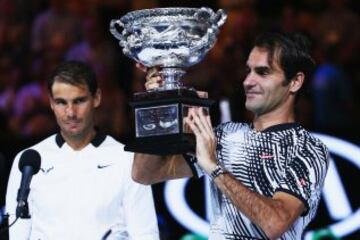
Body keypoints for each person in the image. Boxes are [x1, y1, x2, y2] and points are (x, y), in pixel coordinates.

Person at [132, 32, 329, 239]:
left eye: (262, 72)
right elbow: (145, 174)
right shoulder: (225, 135)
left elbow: (274, 223)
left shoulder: (308, 148)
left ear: (295, 82)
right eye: (248, 71)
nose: (248, 81)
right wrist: (156, 105)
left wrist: (214, 168)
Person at [6, 61, 159, 240]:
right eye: (61, 102)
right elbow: (17, 233)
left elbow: (145, 234)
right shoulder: (28, 160)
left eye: (79, 101)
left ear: (97, 98)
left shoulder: (127, 159)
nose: (70, 112)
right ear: (51, 104)